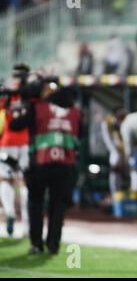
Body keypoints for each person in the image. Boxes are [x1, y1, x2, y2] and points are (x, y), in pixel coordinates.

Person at [11, 77, 81, 255]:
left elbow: (15, 125)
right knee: (57, 207)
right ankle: (53, 245)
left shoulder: (36, 108)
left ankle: (36, 244)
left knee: (35, 204)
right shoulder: (76, 112)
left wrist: (23, 104)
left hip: (39, 164)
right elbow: (81, 135)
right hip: (65, 165)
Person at [0, 64, 30, 237]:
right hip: (24, 143)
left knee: (5, 180)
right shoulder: (30, 94)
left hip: (8, 142)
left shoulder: (7, 94)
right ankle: (26, 224)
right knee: (23, 182)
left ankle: (10, 211)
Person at [101, 108, 127, 204]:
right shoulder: (107, 122)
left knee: (133, 171)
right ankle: (115, 194)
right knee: (115, 171)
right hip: (116, 150)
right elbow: (107, 139)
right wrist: (116, 152)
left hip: (127, 149)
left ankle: (132, 195)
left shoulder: (127, 120)